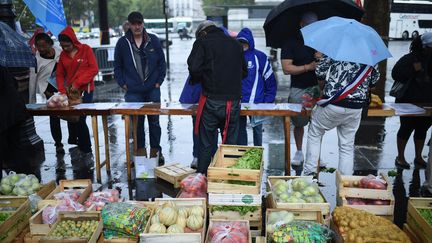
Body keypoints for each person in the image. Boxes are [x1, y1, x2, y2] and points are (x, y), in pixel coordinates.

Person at [303, 54, 380, 176]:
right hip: (356, 107)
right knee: (347, 146)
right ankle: (345, 183)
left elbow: (320, 70)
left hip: (333, 103)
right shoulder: (370, 54)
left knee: (315, 133)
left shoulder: (336, 49)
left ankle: (310, 175)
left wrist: (322, 86)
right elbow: (374, 81)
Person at [187, 20, 247, 174]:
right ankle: (227, 179)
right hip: (233, 102)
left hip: (211, 100)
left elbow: (194, 68)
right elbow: (244, 72)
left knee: (206, 144)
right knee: (230, 145)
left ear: (202, 32)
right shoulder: (235, 44)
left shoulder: (202, 42)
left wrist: (204, 78)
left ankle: (202, 179)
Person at [114, 11, 167, 161]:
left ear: (143, 24)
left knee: (154, 122)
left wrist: (159, 82)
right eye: (134, 24)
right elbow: (117, 66)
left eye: (139, 23)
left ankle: (156, 152)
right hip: (133, 91)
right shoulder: (122, 43)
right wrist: (123, 84)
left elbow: (162, 63)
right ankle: (140, 153)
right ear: (129, 25)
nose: (137, 27)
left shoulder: (153, 40)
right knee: (136, 124)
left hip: (152, 89)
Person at [281, 12, 319, 166]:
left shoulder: (320, 41)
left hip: (318, 87)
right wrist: (308, 67)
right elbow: (286, 68)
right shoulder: (291, 42)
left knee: (317, 124)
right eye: (309, 25)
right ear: (301, 24)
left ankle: (314, 153)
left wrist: (321, 57)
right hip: (298, 88)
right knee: (299, 122)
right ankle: (299, 151)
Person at [56, 26, 99, 160]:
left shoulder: (86, 49)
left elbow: (94, 69)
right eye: (62, 46)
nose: (65, 49)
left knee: (80, 119)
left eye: (67, 46)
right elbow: (59, 74)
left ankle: (87, 149)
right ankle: (77, 143)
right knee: (72, 118)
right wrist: (62, 91)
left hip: (85, 90)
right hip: (71, 93)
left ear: (73, 42)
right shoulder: (63, 55)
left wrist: (78, 83)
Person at [391, 33, 432, 169]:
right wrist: (413, 70)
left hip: (428, 102)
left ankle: (418, 157)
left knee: (422, 129)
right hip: (408, 101)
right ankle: (400, 157)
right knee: (406, 128)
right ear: (424, 46)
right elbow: (396, 74)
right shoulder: (410, 58)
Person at [236, 27, 277, 146]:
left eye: (244, 42)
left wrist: (267, 100)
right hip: (238, 103)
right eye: (240, 42)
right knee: (240, 132)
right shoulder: (233, 56)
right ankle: (242, 156)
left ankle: (258, 155)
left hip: (257, 103)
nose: (242, 45)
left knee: (258, 131)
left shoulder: (260, 57)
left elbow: (270, 81)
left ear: (250, 42)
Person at [30, 33, 70, 154]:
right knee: (54, 117)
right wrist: (31, 102)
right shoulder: (36, 60)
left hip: (64, 87)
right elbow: (33, 80)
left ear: (50, 44)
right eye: (38, 46)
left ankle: (74, 137)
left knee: (71, 112)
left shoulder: (60, 52)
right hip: (48, 90)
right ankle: (58, 144)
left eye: (43, 45)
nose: (41, 49)